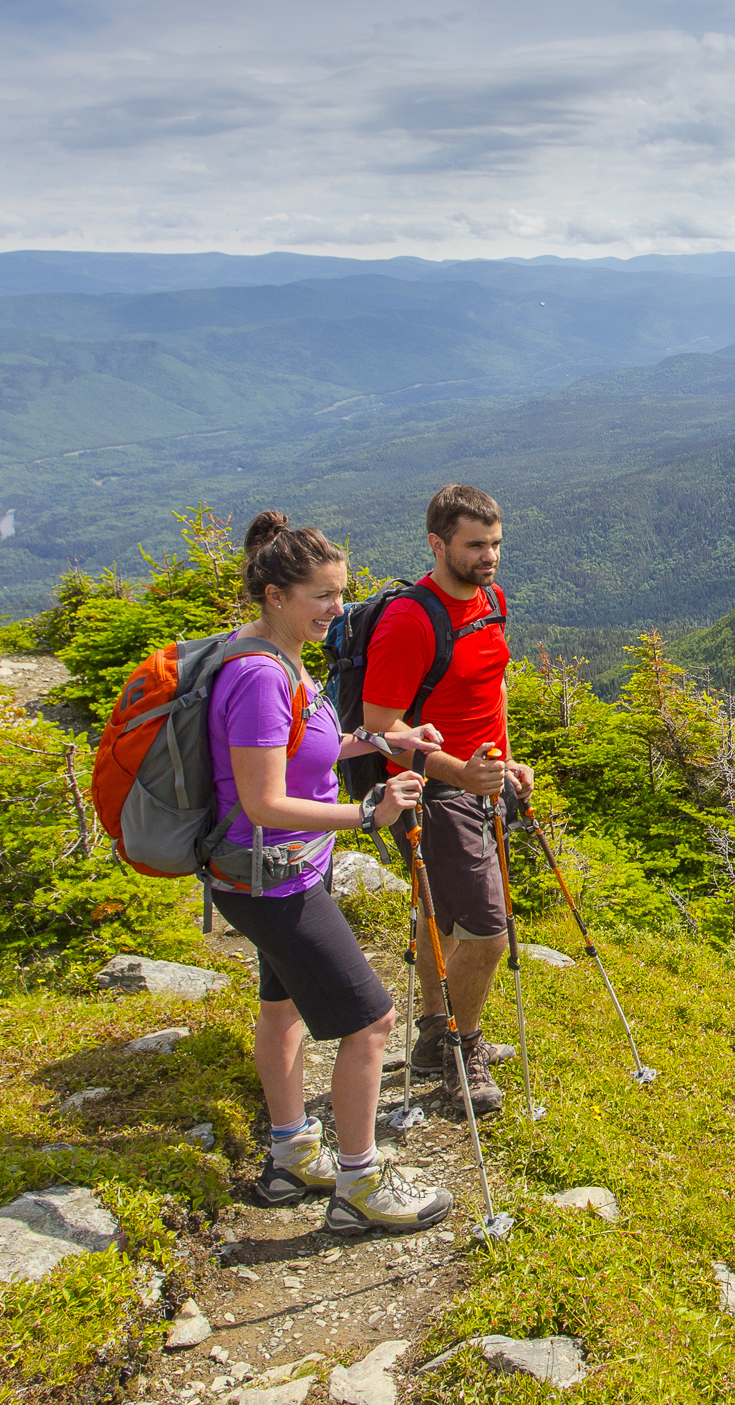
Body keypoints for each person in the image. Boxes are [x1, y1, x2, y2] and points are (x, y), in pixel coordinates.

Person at [206, 510, 454, 1235]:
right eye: (321, 595)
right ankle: (358, 1184)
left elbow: (304, 748)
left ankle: (290, 1156)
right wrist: (367, 813)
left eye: (340, 592)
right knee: (372, 1020)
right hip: (271, 878)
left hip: (273, 872)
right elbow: (262, 799)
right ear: (276, 593)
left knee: (281, 1009)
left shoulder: (275, 651)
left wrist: (381, 739)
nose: (336, 609)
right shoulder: (257, 674)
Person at [360, 483, 535, 1116]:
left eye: (495, 544)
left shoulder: (491, 600)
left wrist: (504, 760)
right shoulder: (411, 621)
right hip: (435, 793)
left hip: (482, 782)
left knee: (435, 913)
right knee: (487, 934)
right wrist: (461, 773)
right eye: (474, 545)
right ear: (438, 544)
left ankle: (435, 1031)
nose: (489, 557)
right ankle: (466, 1050)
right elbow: (379, 730)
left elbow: (491, 690)